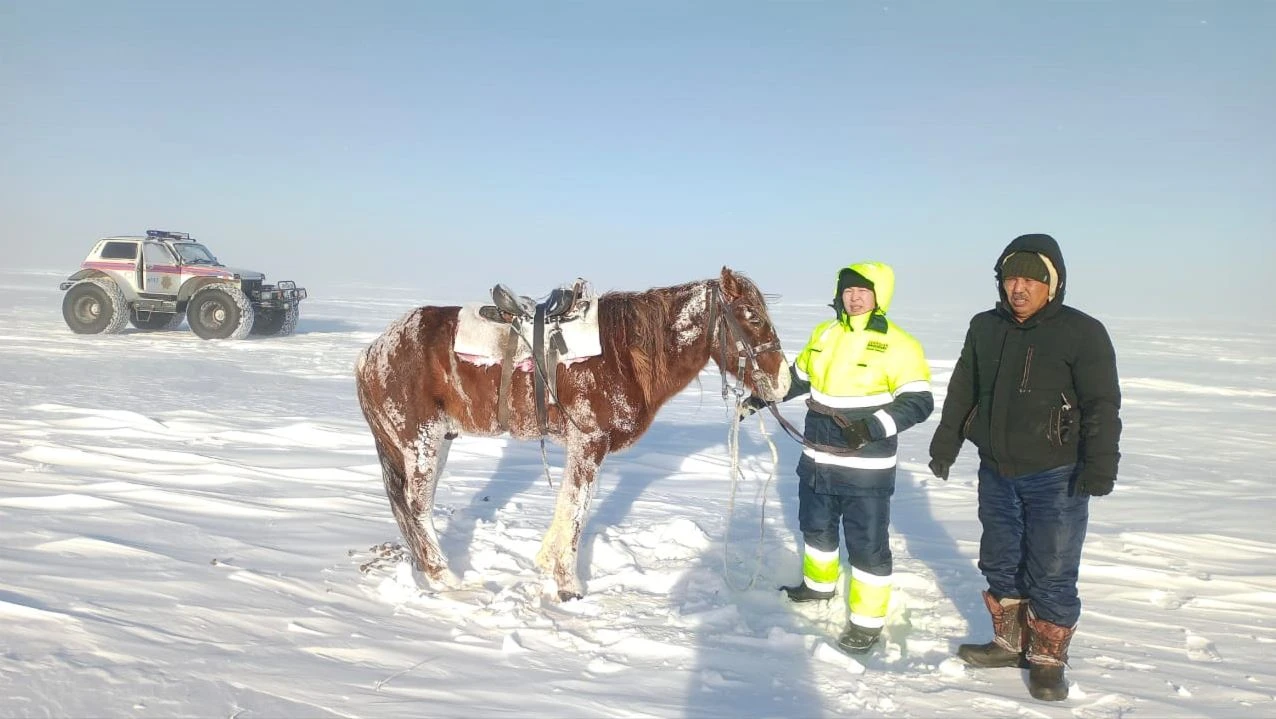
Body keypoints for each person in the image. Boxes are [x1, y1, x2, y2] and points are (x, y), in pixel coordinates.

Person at [927, 233, 1121, 701]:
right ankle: (1010, 644)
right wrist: (946, 443)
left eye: (1032, 280)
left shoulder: (1082, 331)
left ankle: (1048, 661)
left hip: (1058, 473)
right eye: (1011, 278)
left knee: (1052, 568)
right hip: (996, 469)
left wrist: (1101, 463)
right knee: (1000, 560)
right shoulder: (984, 326)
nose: (1019, 288)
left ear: (1053, 284)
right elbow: (963, 387)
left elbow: (1102, 403)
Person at [743, 262, 933, 655]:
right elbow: (796, 380)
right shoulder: (824, 334)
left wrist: (871, 428)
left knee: (867, 544)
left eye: (863, 291)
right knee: (815, 528)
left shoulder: (899, 343)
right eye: (848, 290)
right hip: (817, 457)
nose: (854, 297)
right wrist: (760, 398)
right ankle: (818, 587)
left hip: (866, 467)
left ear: (879, 296)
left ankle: (866, 622)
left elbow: (918, 402)